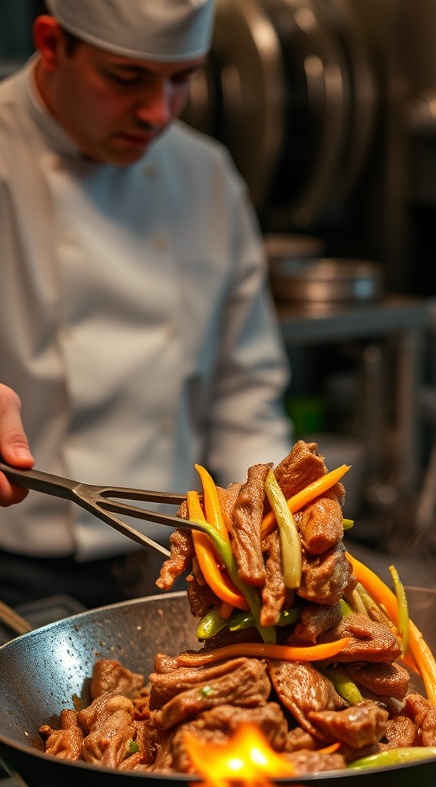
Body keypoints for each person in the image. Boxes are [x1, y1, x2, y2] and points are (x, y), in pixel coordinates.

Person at [0, 0, 293, 611]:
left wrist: (271, 526)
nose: (158, 112)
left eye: (182, 78)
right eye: (126, 78)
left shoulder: (205, 174)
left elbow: (245, 387)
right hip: (14, 555)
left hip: (175, 548)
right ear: (52, 43)